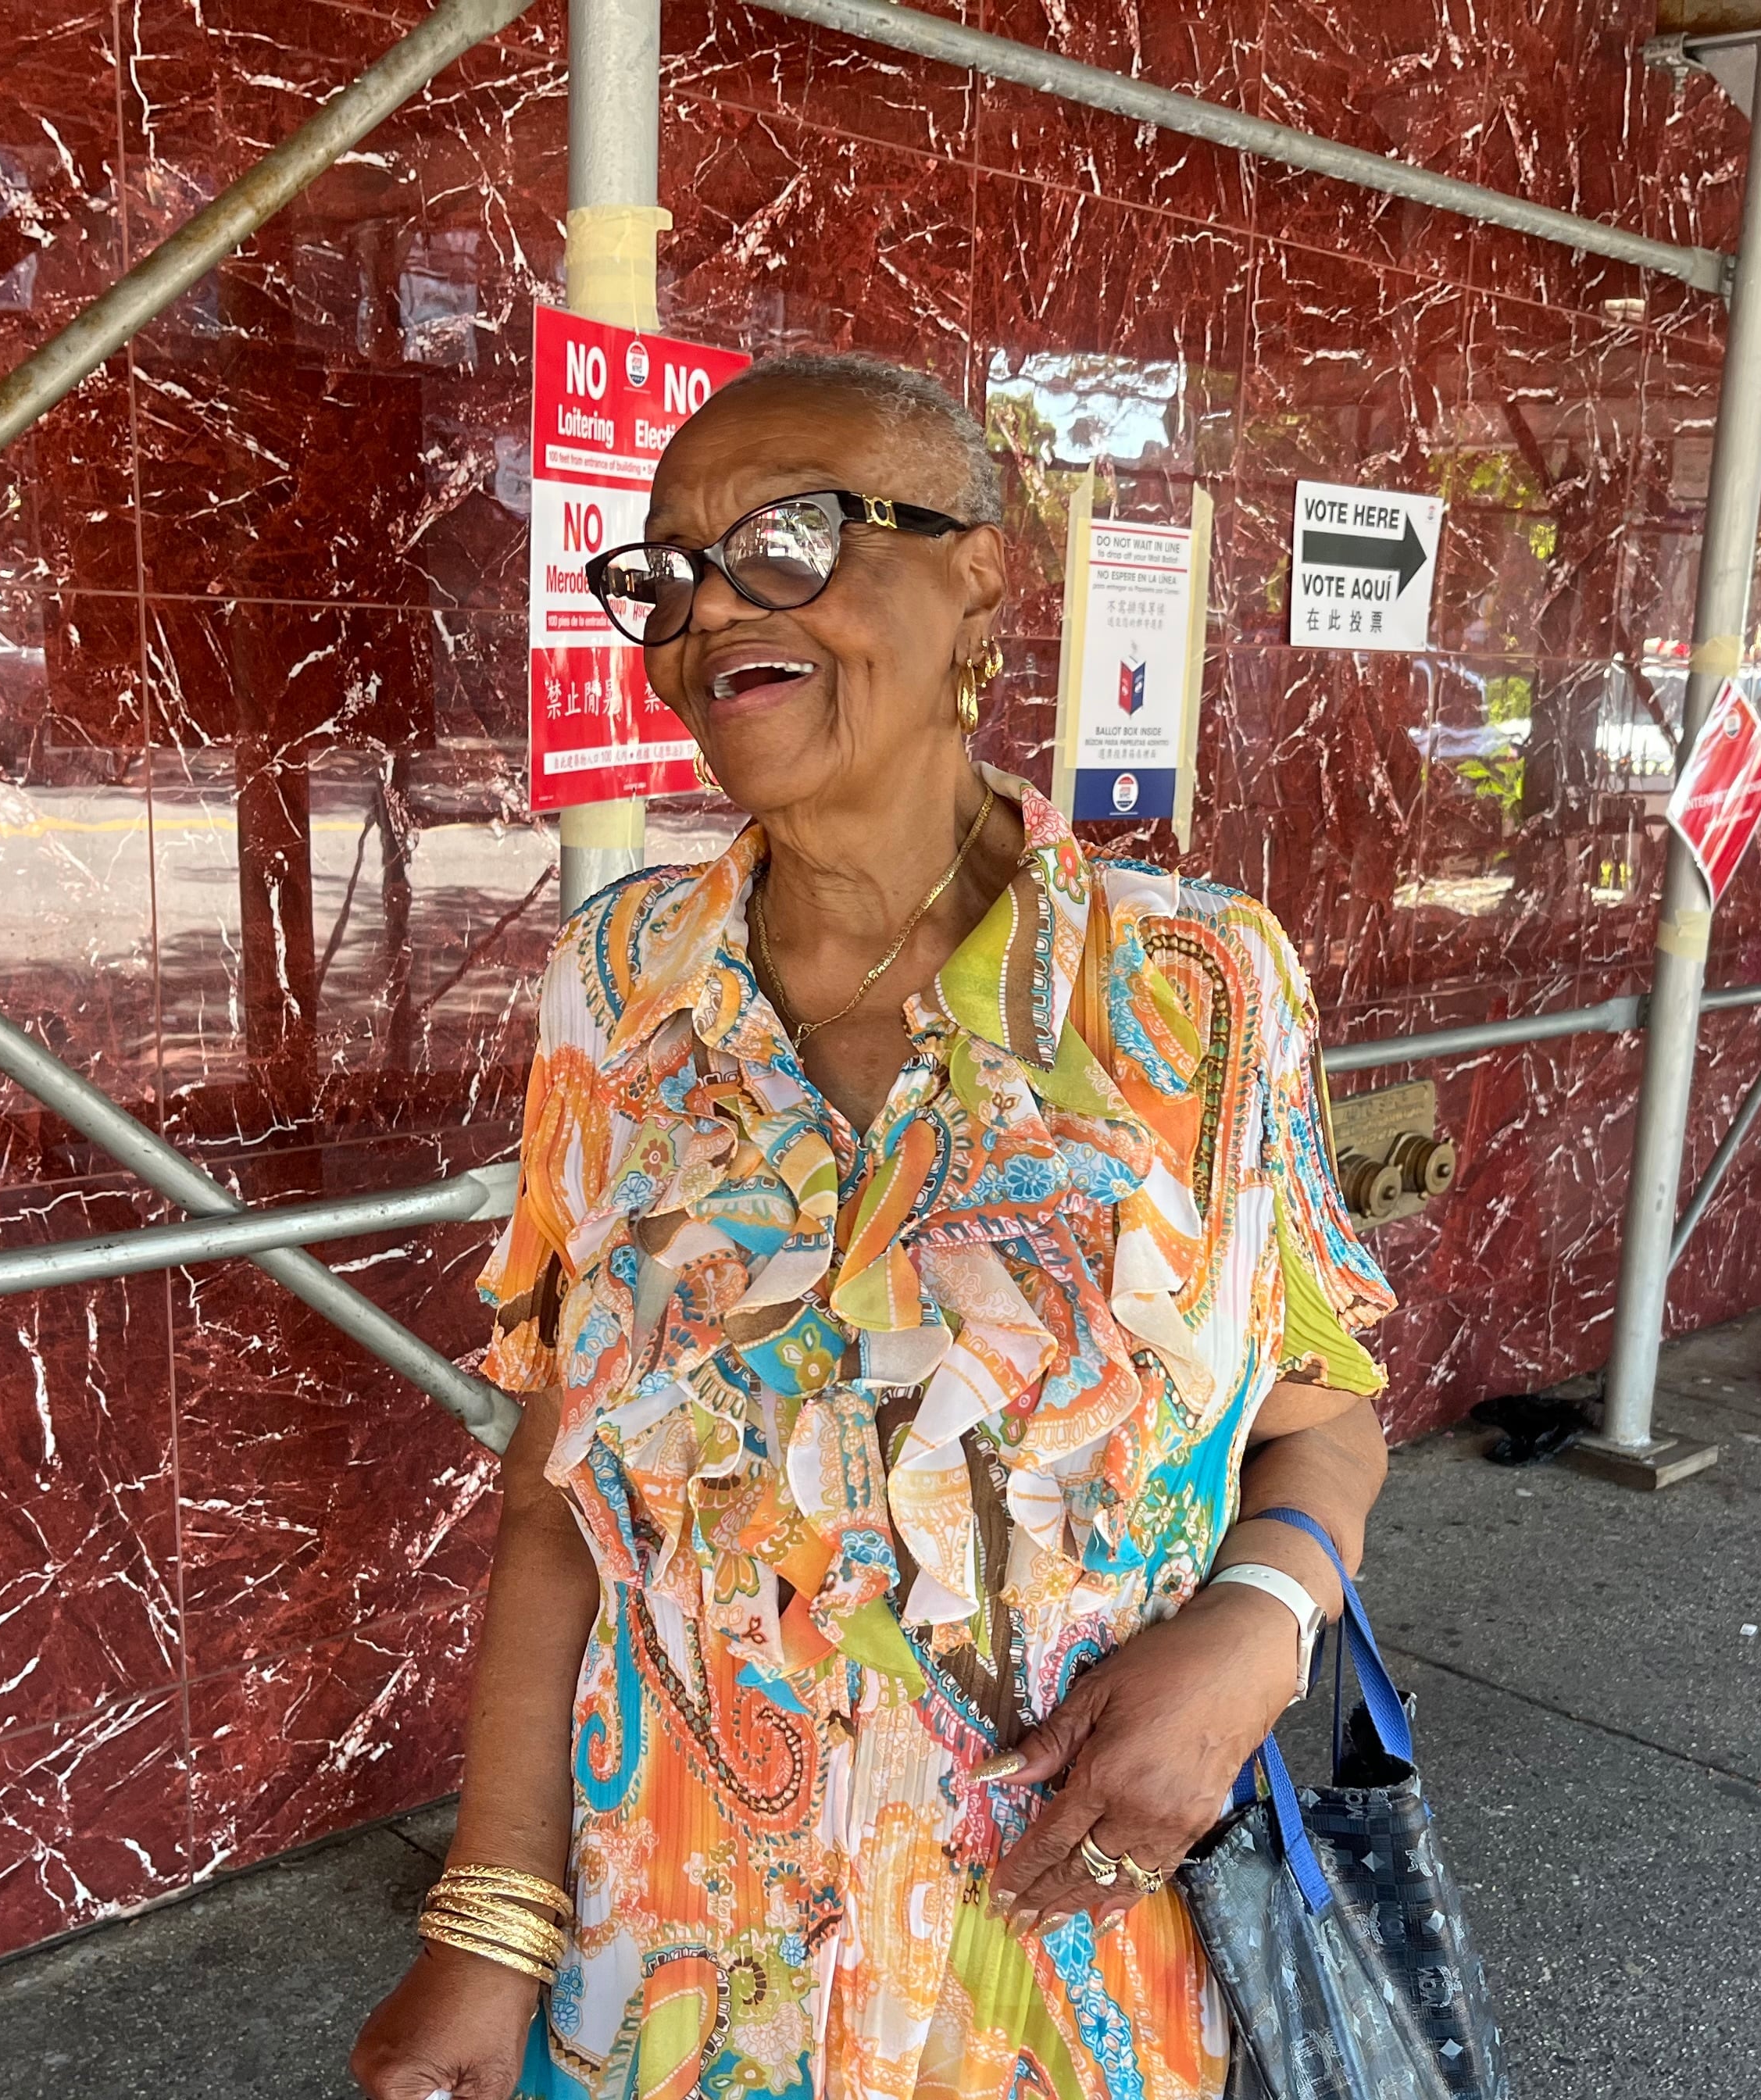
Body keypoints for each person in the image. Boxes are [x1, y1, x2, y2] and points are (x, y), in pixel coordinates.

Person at [352, 352, 1398, 2100]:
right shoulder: (613, 995)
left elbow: (1319, 1409)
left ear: (981, 572)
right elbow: (561, 1483)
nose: (703, 614)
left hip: (1067, 1982)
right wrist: (489, 1925)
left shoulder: (1196, 991)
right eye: (668, 570)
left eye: (790, 534)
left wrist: (1258, 1632)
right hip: (670, 1985)